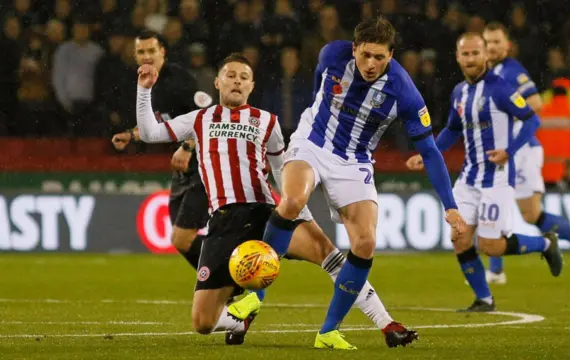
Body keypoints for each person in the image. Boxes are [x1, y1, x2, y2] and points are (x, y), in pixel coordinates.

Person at [134, 53, 417, 348]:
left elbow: (283, 172)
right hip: (224, 219)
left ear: (251, 86)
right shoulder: (200, 119)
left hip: (266, 212)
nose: (237, 82)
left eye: (244, 77)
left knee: (330, 255)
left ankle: (387, 324)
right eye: (230, 75)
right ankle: (239, 319)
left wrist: (299, 211)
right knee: (203, 323)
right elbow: (149, 133)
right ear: (217, 82)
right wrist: (144, 90)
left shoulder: (267, 122)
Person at [259, 17, 467, 350]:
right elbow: (318, 88)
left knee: (365, 242)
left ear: (391, 55)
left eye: (380, 58)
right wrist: (319, 112)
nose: (371, 64)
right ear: (354, 48)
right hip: (313, 140)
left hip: (354, 160)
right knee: (293, 201)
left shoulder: (404, 92)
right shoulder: (331, 55)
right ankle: (255, 295)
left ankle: (328, 331)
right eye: (366, 55)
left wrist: (451, 207)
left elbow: (429, 152)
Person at [406, 23, 570, 282]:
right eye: (489, 42)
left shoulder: (510, 72)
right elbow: (456, 126)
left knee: (531, 214)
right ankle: (496, 270)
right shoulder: (470, 83)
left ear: (506, 45)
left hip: (522, 150)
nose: (493, 47)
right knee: (496, 207)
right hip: (497, 153)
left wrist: (507, 120)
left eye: (497, 42)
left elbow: (535, 104)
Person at [429, 32, 563, 312]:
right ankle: (485, 299)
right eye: (465, 54)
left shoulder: (500, 88)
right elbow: (454, 129)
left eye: (476, 53)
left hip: (497, 179)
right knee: (459, 237)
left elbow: (531, 119)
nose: (470, 58)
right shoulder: (459, 92)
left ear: (485, 56)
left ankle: (544, 244)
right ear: (457, 57)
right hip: (469, 178)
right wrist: (430, 152)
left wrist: (509, 151)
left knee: (492, 246)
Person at [112, 31, 212, 272]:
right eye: (141, 52)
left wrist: (188, 147)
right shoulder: (143, 83)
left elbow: (208, 116)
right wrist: (131, 135)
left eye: (151, 51)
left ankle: (223, 280)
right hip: (183, 170)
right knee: (180, 240)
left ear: (162, 52)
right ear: (135, 56)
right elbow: (160, 123)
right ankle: (222, 277)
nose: (147, 56)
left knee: (182, 237)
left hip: (204, 165)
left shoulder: (181, 79)